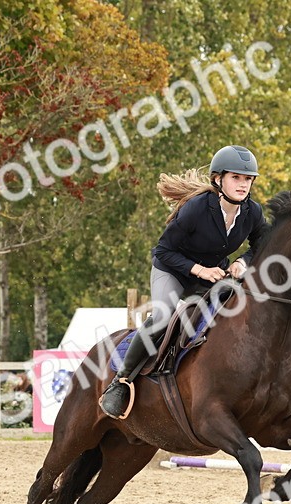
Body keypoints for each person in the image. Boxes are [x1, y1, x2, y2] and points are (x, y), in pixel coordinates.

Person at [99, 145, 269, 418]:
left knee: (240, 306)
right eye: (236, 177)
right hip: (173, 270)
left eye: (247, 179)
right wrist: (200, 270)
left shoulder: (252, 212)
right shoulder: (196, 209)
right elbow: (164, 251)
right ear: (218, 179)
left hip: (213, 274)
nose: (243, 184)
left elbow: (264, 243)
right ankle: (121, 381)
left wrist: (243, 262)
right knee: (164, 315)